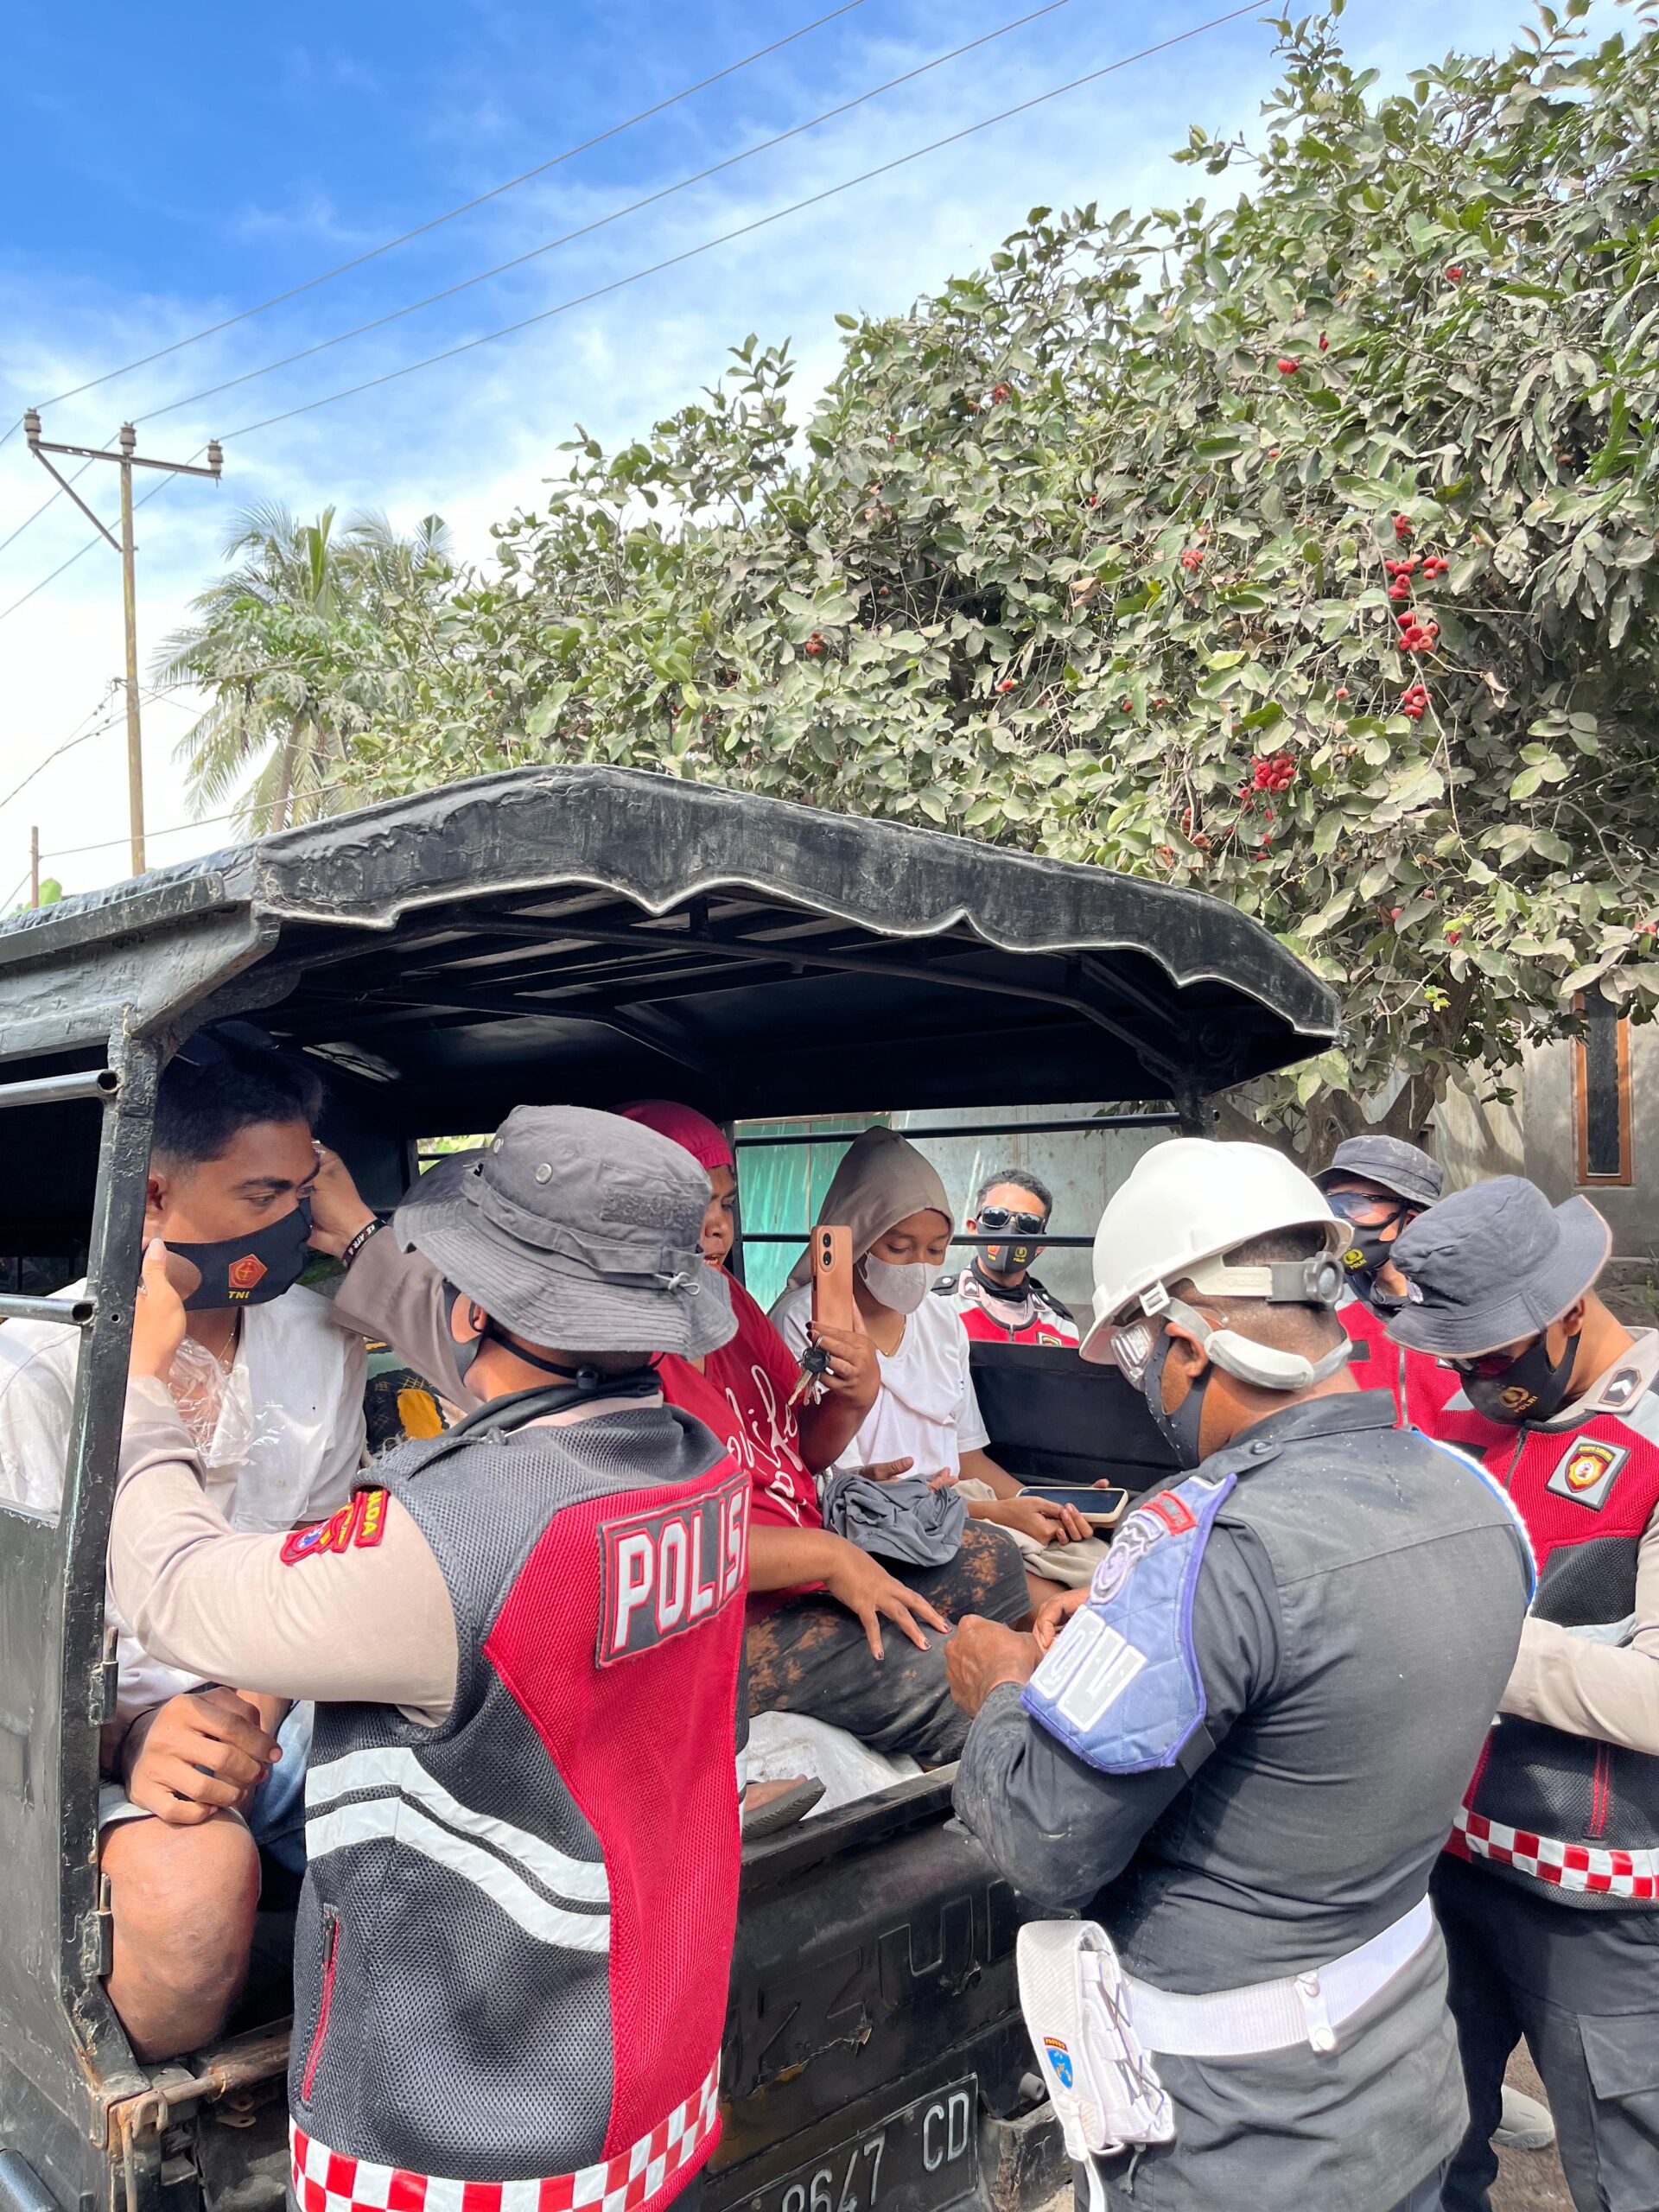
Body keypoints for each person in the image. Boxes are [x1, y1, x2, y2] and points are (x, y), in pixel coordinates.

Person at [109, 1107, 747, 2212]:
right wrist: (366, 1245)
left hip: (473, 2129)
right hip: (651, 2072)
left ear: (470, 1306)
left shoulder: (457, 1541)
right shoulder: (701, 1472)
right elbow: (516, 1367)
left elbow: (179, 1591)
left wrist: (135, 1389)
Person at [943, 1138, 1535, 2212]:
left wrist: (1002, 1689)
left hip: (1239, 2137)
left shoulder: (1210, 1543)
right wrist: (1143, 1636)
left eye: (1136, 1365)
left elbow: (1045, 1837)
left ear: (1183, 1343)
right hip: (1402, 2073)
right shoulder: (1471, 1495)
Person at [327, 1111, 1027, 1765]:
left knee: (997, 1564)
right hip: (720, 1610)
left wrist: (855, 1398)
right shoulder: (612, 1355)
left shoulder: (730, 1307)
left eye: (727, 1204)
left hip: (807, 1558)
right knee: (944, 1683)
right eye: (696, 1209)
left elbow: (792, 1452)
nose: (717, 1228)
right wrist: (832, 1555)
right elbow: (643, 1537)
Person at [0, 1021, 368, 2062]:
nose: (292, 1223)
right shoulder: (31, 1372)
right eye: (263, 1196)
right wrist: (129, 1739)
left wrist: (256, 1707)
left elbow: (317, 1550)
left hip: (279, 1696)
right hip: (97, 1743)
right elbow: (19, 1661)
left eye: (303, 1191)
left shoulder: (321, 1339)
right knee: (191, 1899)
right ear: (154, 1196)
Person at [1389, 1177, 1659, 2212]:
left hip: (1597, 1906)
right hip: (1450, 1869)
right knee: (1425, 2156)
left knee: (1627, 2175)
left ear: (1568, 1309)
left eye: (1493, 1356)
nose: (1472, 1382)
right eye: (1456, 1361)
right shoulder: (1478, 1429)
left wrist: (1477, 1636)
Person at [770, 1127, 1091, 1605]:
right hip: (882, 1535)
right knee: (1055, 1606)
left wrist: (1041, 1504)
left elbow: (967, 1458)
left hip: (963, 1507)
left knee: (1100, 1569)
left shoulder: (943, 1321)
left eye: (936, 1249)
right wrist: (996, 1515)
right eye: (899, 1248)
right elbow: (845, 1494)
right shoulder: (804, 1324)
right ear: (857, 1238)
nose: (920, 1265)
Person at [1314, 1134, 1456, 1429]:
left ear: (1411, 1220)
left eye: (1353, 1205)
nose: (1339, 1219)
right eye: (1331, 1205)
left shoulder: (1471, 1310)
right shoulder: (1325, 1307)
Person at [934, 1167, 1080, 1346]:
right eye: (995, 1217)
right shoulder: (935, 1305)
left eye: (1028, 1223)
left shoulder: (1060, 1324)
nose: (1010, 1231)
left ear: (1041, 1244)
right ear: (973, 1227)